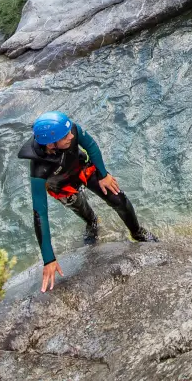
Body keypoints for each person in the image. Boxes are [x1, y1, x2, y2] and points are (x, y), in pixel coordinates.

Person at [19, 111, 156, 291]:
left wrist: (103, 174)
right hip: (62, 188)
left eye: (69, 132)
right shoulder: (39, 169)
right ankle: (92, 224)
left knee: (118, 198)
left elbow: (91, 145)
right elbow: (40, 214)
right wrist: (49, 258)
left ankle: (138, 233)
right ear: (51, 144)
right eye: (66, 136)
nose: (72, 136)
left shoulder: (71, 129)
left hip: (83, 169)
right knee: (88, 216)